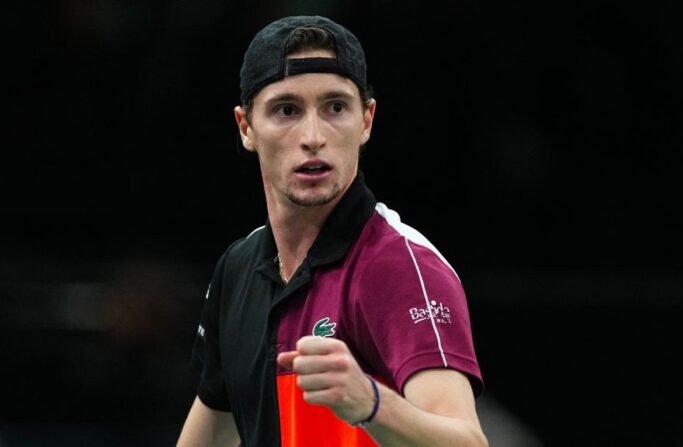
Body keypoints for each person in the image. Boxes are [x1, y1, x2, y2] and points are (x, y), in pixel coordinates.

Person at [177, 15, 487, 447]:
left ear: (367, 120)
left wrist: (371, 403)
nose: (313, 136)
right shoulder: (238, 269)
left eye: (335, 107)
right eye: (286, 110)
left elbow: (469, 442)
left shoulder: (399, 266)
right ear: (246, 128)